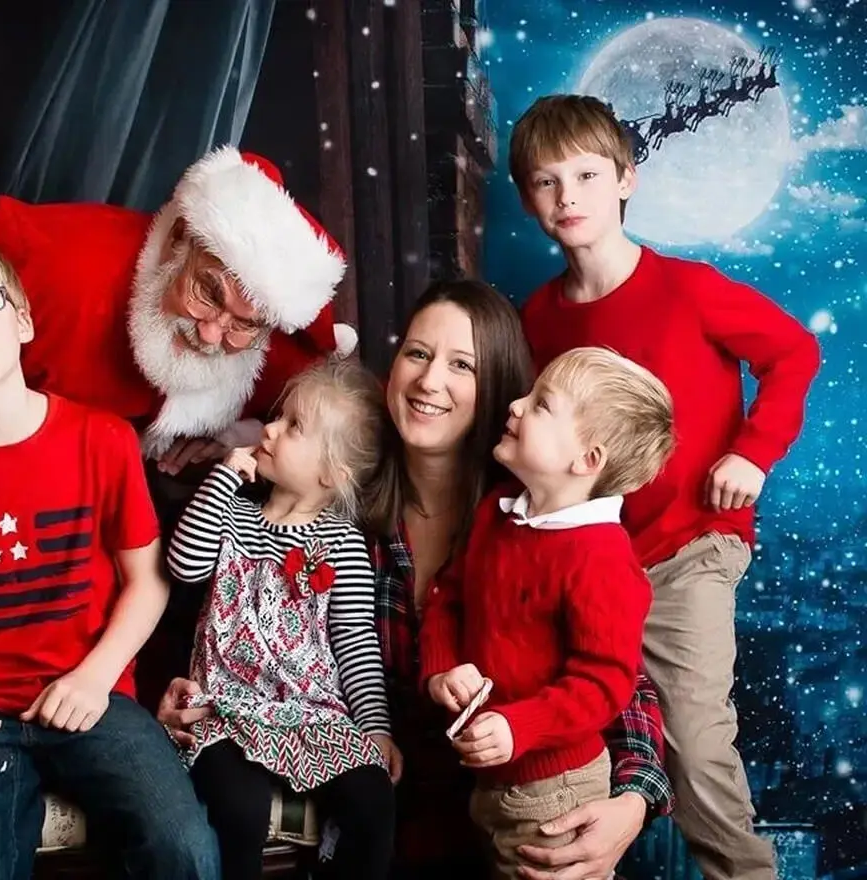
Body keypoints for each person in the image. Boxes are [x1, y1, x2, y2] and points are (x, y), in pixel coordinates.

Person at [160, 281, 676, 880]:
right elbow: (223, 599)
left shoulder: (539, 515)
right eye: (417, 353)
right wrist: (186, 690)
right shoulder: (333, 507)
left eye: (462, 365)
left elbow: (613, 675)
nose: (430, 382)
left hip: (520, 808)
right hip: (386, 817)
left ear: (503, 389)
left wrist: (635, 800)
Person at [510, 94, 821, 880]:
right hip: (591, 562)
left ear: (626, 180)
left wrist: (753, 451)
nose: (568, 196)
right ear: (527, 200)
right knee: (565, 734)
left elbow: (791, 353)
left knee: (693, 735)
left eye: (586, 174)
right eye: (547, 183)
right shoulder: (536, 321)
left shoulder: (687, 288)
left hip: (692, 548)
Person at [0, 227, 218, 880]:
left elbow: (147, 581)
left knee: (185, 848)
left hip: (92, 696)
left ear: (21, 318)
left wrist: (95, 675)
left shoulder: (101, 441)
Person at [0, 146, 359, 560]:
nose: (214, 335)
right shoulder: (53, 269)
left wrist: (228, 439)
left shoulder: (276, 356)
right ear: (177, 242)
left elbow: (349, 432)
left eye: (246, 325)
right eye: (208, 293)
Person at [422, 346, 675, 878]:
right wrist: (442, 669)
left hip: (554, 792)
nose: (514, 405)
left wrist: (521, 726)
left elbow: (606, 682)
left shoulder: (603, 559)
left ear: (587, 460)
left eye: (541, 405)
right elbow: (449, 597)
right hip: (485, 784)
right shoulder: (498, 513)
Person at [165, 361, 397, 880]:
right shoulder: (232, 514)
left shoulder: (342, 541)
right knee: (240, 807)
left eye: (294, 427)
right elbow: (183, 564)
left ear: (331, 473)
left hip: (310, 710)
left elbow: (356, 644)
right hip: (224, 706)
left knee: (373, 799)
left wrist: (376, 728)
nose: (268, 430)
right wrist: (224, 476)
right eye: (279, 417)